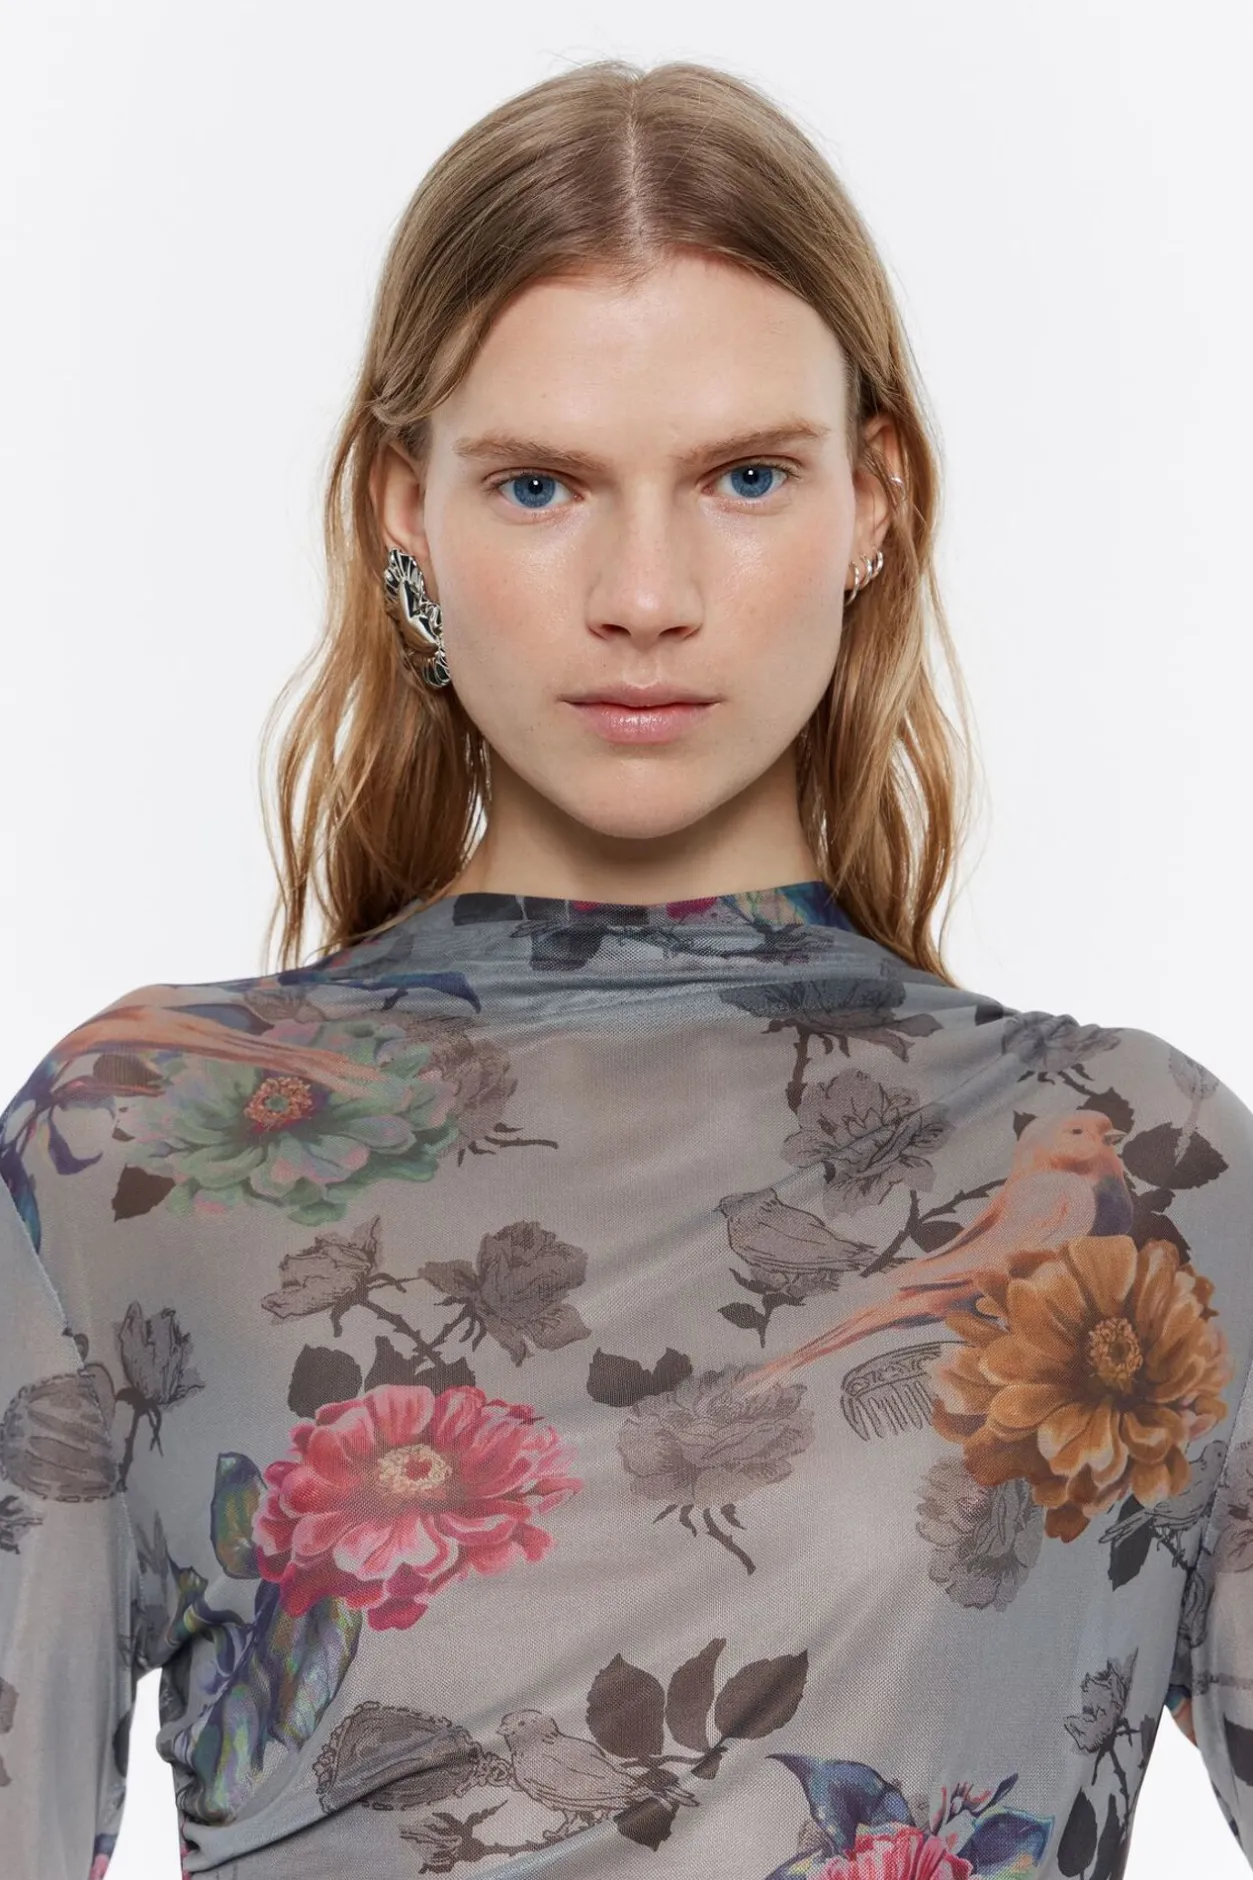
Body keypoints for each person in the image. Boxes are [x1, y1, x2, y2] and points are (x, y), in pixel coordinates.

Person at [1, 56, 1250, 1880]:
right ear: (403, 509)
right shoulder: (140, 1147)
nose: (646, 594)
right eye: (541, 485)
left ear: (875, 499)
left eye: (746, 476)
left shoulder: (1142, 1173)